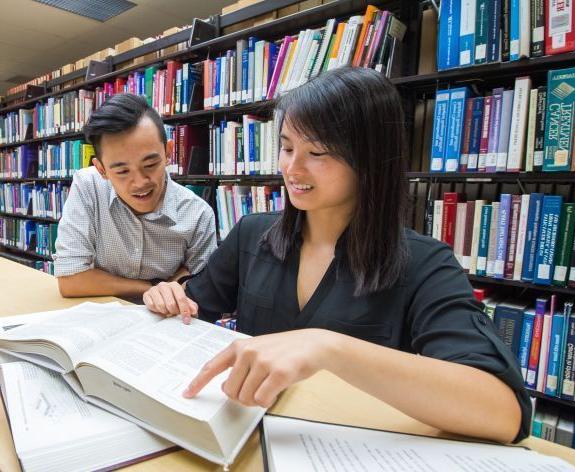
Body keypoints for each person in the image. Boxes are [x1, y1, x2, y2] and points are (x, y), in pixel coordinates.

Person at [143, 67, 530, 443]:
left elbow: (503, 412)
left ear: (369, 159)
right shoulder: (253, 234)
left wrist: (330, 349)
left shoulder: (425, 264)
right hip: (243, 439)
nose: (292, 168)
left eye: (317, 152)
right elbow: (192, 311)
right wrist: (168, 296)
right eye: (287, 146)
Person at [54, 93, 216, 300]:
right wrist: (154, 287)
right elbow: (71, 280)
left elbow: (195, 289)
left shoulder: (198, 214)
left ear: (168, 152)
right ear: (101, 169)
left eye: (150, 165)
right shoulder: (88, 186)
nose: (140, 182)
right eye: (122, 171)